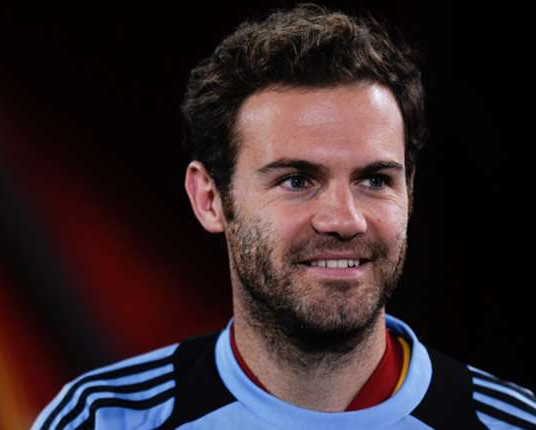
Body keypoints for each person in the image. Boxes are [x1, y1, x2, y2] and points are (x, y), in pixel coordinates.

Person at [31, 4, 535, 429]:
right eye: (297, 180)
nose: (345, 220)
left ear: (411, 192)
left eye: (375, 180)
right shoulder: (102, 419)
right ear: (209, 199)